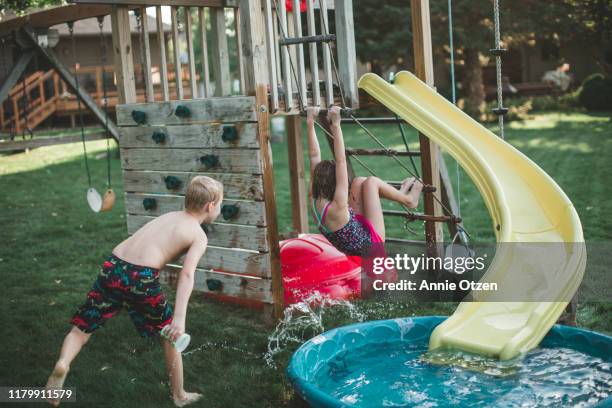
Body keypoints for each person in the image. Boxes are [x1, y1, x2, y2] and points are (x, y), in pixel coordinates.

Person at [45, 176, 224, 407]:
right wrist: (179, 319)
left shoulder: (168, 216)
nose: (219, 208)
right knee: (170, 334)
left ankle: (63, 364)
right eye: (220, 203)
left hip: (114, 264)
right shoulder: (199, 235)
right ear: (210, 206)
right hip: (141, 276)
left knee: (82, 328)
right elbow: (187, 274)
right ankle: (179, 395)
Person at [306, 106, 423, 257]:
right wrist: (336, 124)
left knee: (359, 182)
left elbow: (314, 156)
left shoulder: (314, 199)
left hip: (354, 237)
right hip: (372, 246)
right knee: (371, 182)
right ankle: (409, 199)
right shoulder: (338, 205)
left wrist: (310, 122)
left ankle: (400, 194)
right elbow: (341, 161)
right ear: (334, 185)